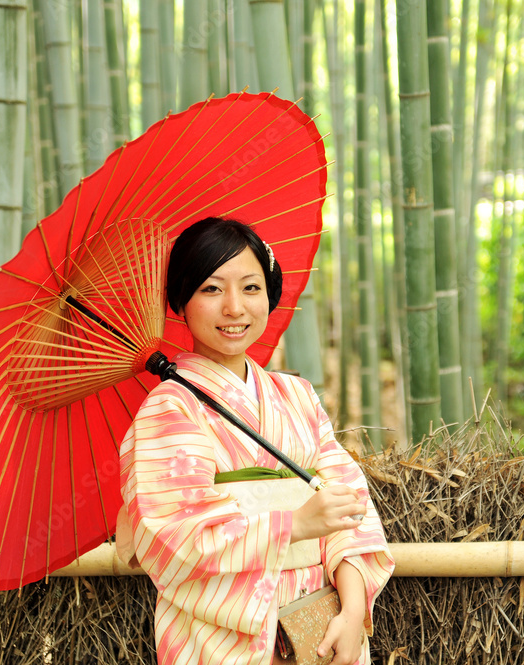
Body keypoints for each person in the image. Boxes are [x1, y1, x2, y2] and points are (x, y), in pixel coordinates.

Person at [117, 218, 395, 665]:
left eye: (250, 287)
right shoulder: (171, 409)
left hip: (322, 624)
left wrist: (353, 608)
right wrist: (296, 525)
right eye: (211, 289)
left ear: (270, 293)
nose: (234, 308)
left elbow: (350, 503)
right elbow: (175, 535)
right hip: (219, 639)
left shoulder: (297, 396)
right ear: (180, 300)